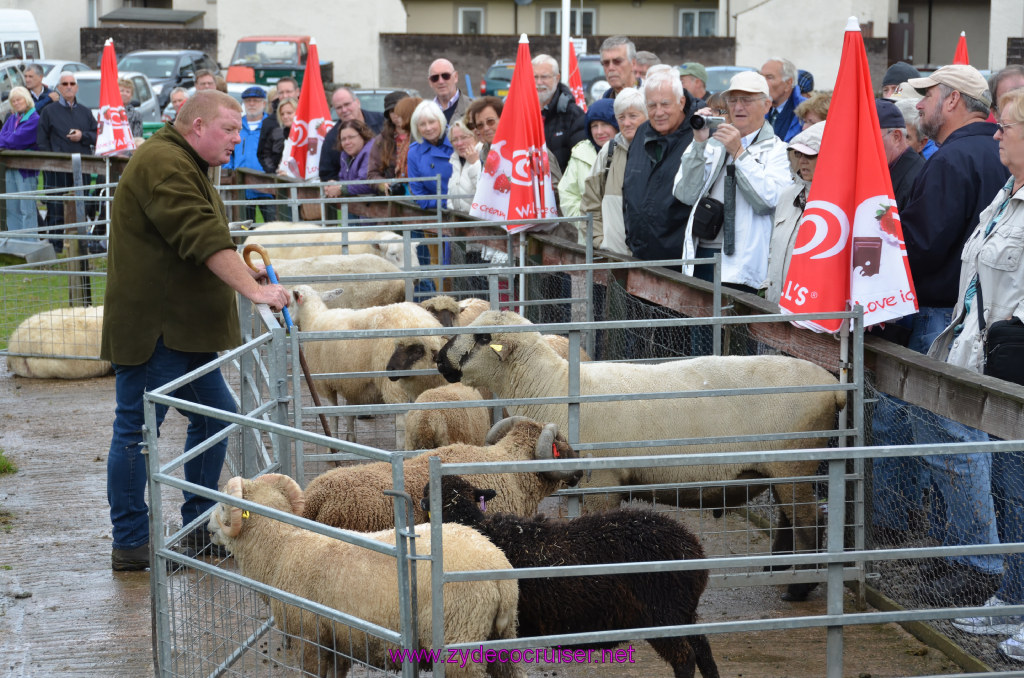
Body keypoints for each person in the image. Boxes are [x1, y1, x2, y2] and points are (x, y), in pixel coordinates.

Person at [100, 89, 290, 571]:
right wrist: (255, 291)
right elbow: (201, 236)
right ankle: (131, 541)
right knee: (138, 431)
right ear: (196, 126)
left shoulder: (185, 162)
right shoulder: (164, 162)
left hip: (186, 332)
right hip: (158, 331)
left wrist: (251, 277)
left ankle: (197, 527)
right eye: (228, 129)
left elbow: (204, 235)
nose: (236, 138)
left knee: (217, 416)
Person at [898, 64, 1009, 606]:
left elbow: (923, 242)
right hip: (983, 321)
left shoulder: (954, 159)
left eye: (926, 97)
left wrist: (882, 242)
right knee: (978, 443)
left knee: (951, 443)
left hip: (946, 316)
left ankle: (976, 560)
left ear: (952, 99)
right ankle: (975, 555)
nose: (918, 106)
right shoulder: (996, 154)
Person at [945, 87, 1024, 662]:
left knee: (1021, 490)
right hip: (987, 363)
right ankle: (1013, 595)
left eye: (1008, 126)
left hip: (1016, 363)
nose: (996, 134)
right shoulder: (1005, 195)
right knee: (1006, 482)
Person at [675, 70, 791, 295]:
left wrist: (738, 153)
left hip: (743, 266)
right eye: (733, 100)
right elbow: (684, 194)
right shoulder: (711, 142)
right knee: (701, 329)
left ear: (767, 106)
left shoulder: (778, 150)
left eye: (747, 100)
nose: (738, 107)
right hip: (701, 255)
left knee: (733, 329)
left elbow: (767, 201)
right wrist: (698, 144)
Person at [621, 68, 697, 263]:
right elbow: (629, 188)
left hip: (680, 262)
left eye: (665, 104)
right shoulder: (642, 133)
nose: (658, 112)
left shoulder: (698, 137)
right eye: (652, 105)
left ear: (681, 102)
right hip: (639, 255)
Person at [580, 87, 647, 254]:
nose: (626, 123)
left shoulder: (658, 149)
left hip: (651, 259)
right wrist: (599, 240)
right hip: (614, 256)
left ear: (647, 116)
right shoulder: (608, 151)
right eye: (621, 117)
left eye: (633, 116)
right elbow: (590, 202)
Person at [762, 121, 823, 302]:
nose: (802, 161)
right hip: (776, 303)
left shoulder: (838, 201)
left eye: (810, 155)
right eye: (798, 154)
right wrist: (766, 287)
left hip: (812, 307)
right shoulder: (787, 195)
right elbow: (774, 252)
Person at [36, 71, 97, 251]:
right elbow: (42, 140)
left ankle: (80, 245)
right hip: (57, 168)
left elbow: (96, 135)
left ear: (77, 87)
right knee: (55, 206)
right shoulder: (49, 111)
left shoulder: (85, 112)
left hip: (82, 165)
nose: (69, 87)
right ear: (59, 88)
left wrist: (82, 136)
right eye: (65, 84)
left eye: (72, 84)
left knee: (81, 205)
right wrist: (51, 162)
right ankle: (56, 246)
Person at [560, 99, 617, 219]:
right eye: (594, 126)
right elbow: (567, 194)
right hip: (588, 234)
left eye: (605, 124)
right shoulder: (580, 153)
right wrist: (586, 222)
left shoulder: (629, 151)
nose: (599, 131)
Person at [225, 86, 273, 222]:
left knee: (271, 227)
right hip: (242, 188)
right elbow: (228, 150)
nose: (251, 104)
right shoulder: (236, 125)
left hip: (267, 186)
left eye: (256, 100)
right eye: (248, 101)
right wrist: (230, 170)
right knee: (244, 228)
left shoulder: (271, 124)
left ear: (264, 103)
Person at [320, 87, 385, 186]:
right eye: (338, 107)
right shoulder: (331, 138)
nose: (344, 110)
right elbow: (327, 174)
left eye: (347, 104)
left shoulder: (382, 122)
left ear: (357, 102)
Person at [534, 53, 586, 172]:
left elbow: (579, 164)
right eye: (535, 77)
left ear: (557, 78)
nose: (539, 82)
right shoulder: (521, 113)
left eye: (544, 77)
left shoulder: (573, 115)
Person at [0, 86, 40, 235]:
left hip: (26, 170)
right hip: (10, 167)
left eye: (19, 99)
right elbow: (3, 136)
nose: (16, 103)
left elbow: (16, 140)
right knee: (11, 207)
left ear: (27, 100)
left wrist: (7, 139)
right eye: (13, 101)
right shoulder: (12, 118)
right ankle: (16, 242)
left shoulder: (35, 119)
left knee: (26, 208)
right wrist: (7, 139)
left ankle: (29, 243)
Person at [406, 100, 453, 210]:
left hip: (465, 210)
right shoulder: (414, 153)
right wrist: (445, 203)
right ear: (417, 128)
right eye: (422, 124)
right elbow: (419, 194)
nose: (428, 128)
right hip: (434, 212)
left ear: (440, 121)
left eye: (432, 122)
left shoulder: (458, 141)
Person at [367, 90, 411, 195]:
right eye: (392, 111)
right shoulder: (381, 140)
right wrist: (383, 184)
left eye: (400, 109)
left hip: (419, 193)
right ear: (388, 115)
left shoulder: (421, 135)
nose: (396, 114)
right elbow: (372, 173)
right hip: (393, 197)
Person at [761, 57, 806, 142]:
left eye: (769, 77)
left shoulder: (807, 112)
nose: (762, 82)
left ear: (788, 83)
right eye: (761, 77)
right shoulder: (755, 108)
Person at [330, 119, 377, 197]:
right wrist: (334, 186)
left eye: (351, 137)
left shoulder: (371, 151)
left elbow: (367, 183)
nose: (347, 142)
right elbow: (343, 179)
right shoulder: (345, 154)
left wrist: (341, 189)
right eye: (343, 139)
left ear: (362, 135)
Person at [447, 117, 481, 213]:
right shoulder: (453, 160)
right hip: (459, 221)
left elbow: (485, 191)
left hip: (479, 221)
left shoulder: (484, 155)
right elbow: (449, 195)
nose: (459, 143)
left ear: (474, 136)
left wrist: (475, 163)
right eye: (454, 139)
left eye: (464, 137)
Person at [258, 96, 296, 176]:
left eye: (289, 113)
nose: (285, 117)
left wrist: (290, 174)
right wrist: (274, 171)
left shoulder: (306, 135)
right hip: (280, 179)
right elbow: (264, 154)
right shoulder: (279, 132)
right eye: (282, 114)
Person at [428, 58, 469, 124]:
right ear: (430, 82)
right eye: (435, 78)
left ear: (455, 77)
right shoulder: (423, 113)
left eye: (445, 76)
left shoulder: (473, 108)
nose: (441, 81)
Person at [118, 77, 144, 143]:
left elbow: (137, 137)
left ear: (131, 95)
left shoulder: (136, 115)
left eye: (128, 91)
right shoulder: (109, 111)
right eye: (122, 91)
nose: (125, 94)